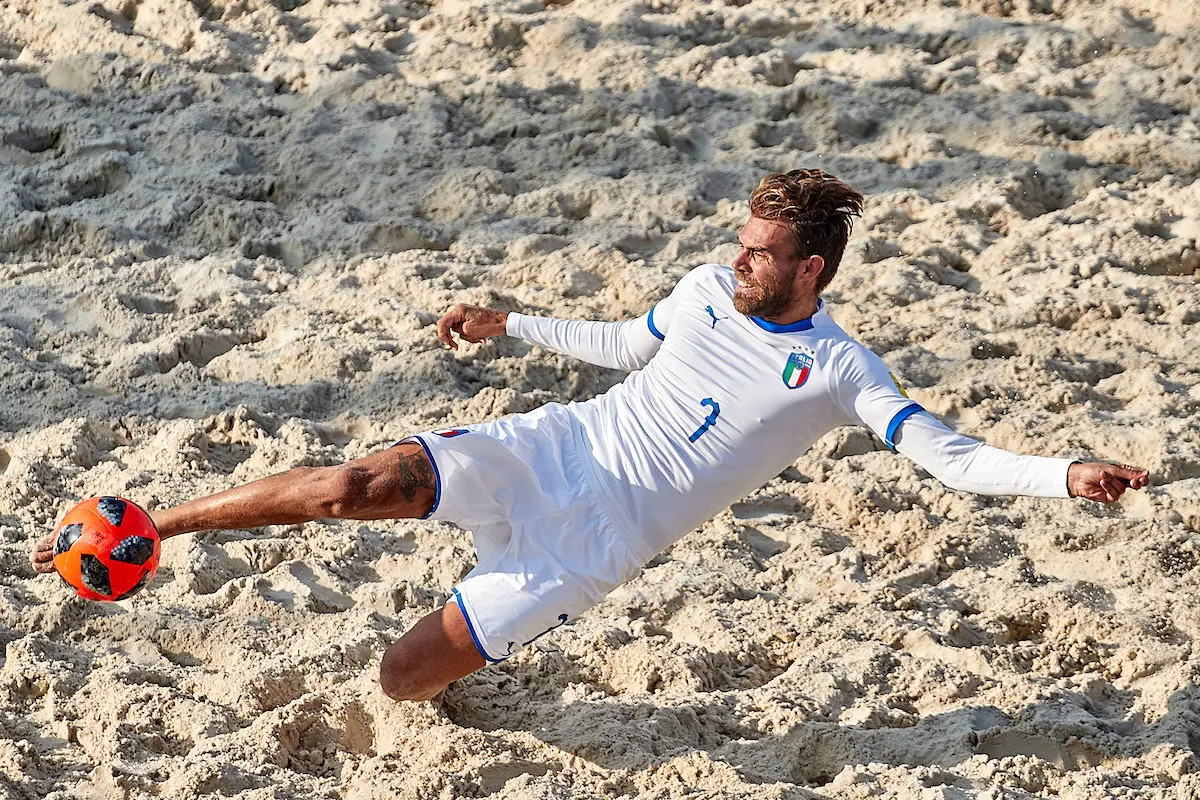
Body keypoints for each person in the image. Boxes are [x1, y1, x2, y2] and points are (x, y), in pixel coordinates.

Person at [31, 170, 1150, 702]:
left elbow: (949, 456)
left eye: (762, 251)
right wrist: (510, 318)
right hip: (557, 444)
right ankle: (150, 524)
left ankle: (480, 638)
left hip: (595, 540)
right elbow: (629, 344)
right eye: (743, 240)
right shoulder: (710, 287)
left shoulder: (840, 368)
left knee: (401, 676)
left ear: (811, 268)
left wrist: (1065, 472)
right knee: (350, 483)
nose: (739, 255)